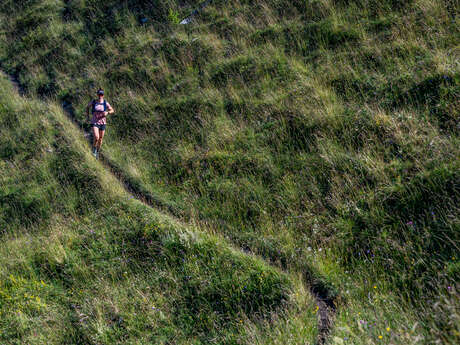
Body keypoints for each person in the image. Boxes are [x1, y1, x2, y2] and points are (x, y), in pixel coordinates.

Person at [86, 89, 114, 159]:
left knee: (101, 139)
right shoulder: (94, 102)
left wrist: (107, 112)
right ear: (97, 94)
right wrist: (88, 117)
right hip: (94, 122)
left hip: (103, 122)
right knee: (96, 137)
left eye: (101, 94)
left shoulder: (105, 103)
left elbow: (112, 110)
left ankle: (97, 152)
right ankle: (94, 150)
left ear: (103, 95)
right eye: (99, 94)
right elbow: (87, 107)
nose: (100, 96)